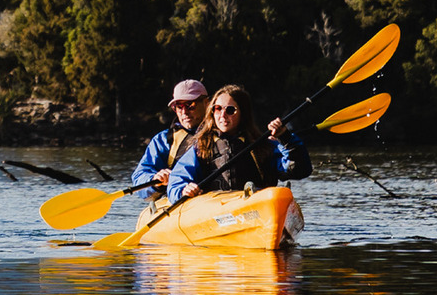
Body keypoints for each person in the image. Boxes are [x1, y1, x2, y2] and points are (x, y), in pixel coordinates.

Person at [166, 84, 310, 204]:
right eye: (218, 108)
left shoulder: (262, 146)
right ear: (212, 111)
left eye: (230, 110)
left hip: (258, 208)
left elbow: (299, 170)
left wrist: (286, 137)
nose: (223, 115)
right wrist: (183, 190)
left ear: (243, 113)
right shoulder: (201, 147)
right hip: (216, 210)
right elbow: (177, 180)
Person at [130, 80, 210, 190]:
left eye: (190, 105)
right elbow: (139, 176)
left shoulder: (222, 134)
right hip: (179, 199)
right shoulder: (163, 140)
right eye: (179, 106)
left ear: (207, 103)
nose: (184, 112)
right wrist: (154, 179)